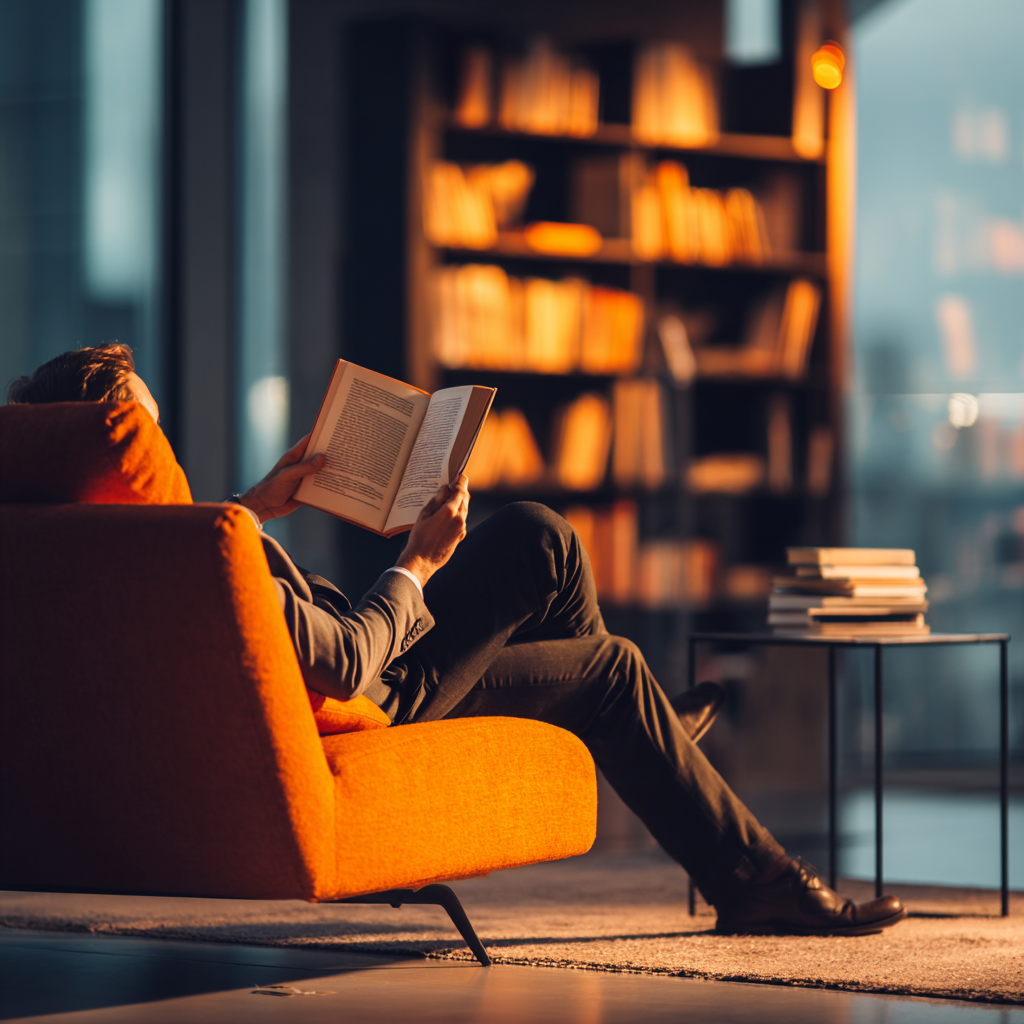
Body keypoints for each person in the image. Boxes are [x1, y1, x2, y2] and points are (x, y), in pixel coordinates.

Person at [8, 344, 907, 936]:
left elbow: (206, 578)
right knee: (610, 669)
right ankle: (753, 878)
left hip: (355, 670)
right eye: (153, 428)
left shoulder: (90, 555)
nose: (166, 443)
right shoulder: (195, 559)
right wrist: (420, 562)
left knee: (539, 538)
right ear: (124, 447)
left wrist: (252, 505)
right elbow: (346, 663)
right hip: (382, 695)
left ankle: (644, 733)